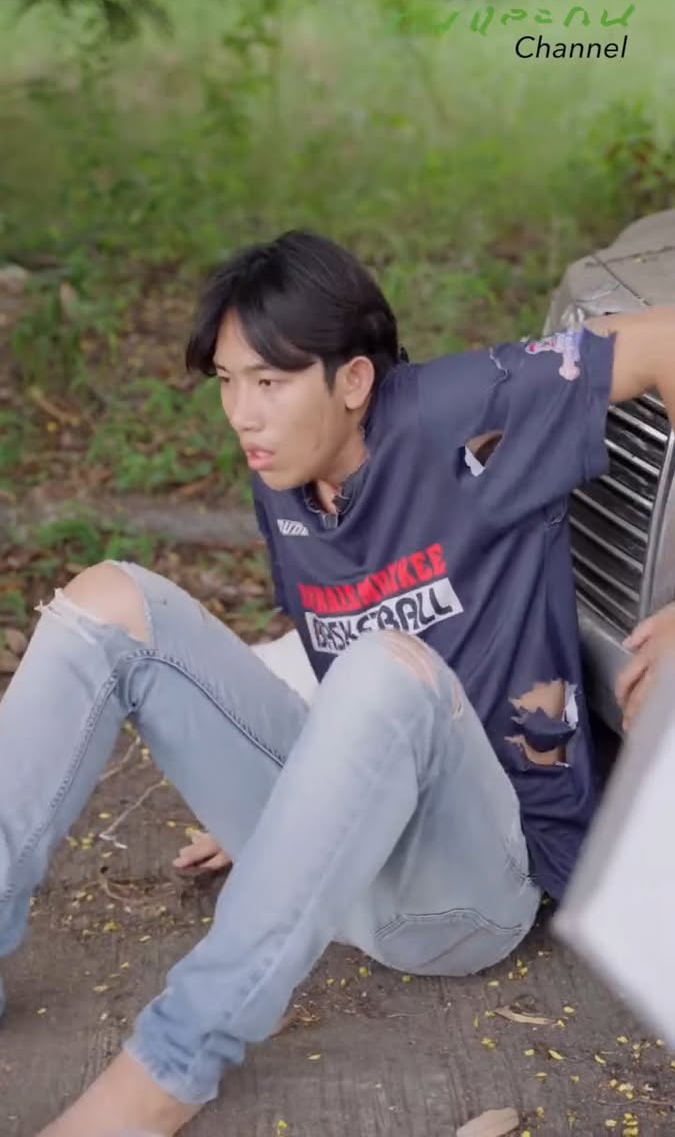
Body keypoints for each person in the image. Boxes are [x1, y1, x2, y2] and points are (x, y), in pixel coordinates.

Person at [2, 230, 675, 1137]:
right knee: (108, 599)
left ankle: (169, 1068)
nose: (242, 415)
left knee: (384, 663)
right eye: (227, 382)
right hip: (348, 851)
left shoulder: (464, 411)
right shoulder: (284, 470)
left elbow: (668, 338)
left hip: (470, 893)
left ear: (353, 380)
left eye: (269, 382)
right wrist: (295, 809)